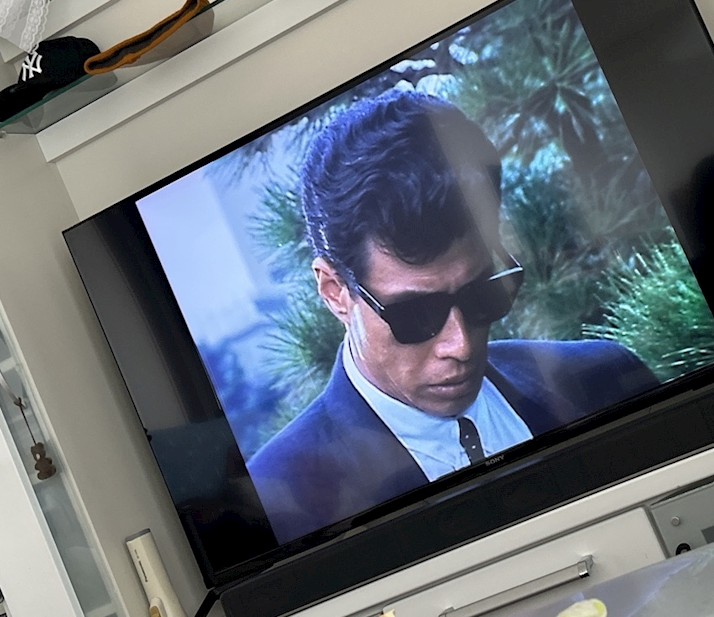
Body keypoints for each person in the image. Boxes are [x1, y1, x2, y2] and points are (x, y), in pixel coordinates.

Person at [247, 90, 658, 544]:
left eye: (483, 293)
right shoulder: (276, 513)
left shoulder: (608, 381)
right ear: (335, 292)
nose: (459, 345)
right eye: (415, 315)